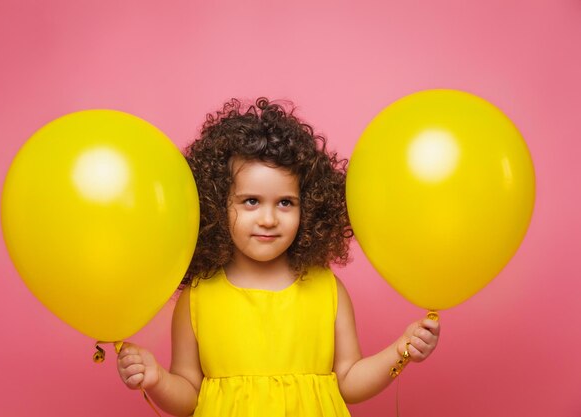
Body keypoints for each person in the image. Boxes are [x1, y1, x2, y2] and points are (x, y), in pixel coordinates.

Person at [117, 98, 440, 417]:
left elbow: (349, 381)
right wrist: (157, 379)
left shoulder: (327, 289)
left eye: (285, 203)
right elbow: (189, 396)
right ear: (215, 203)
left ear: (310, 206)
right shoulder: (198, 296)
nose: (269, 219)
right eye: (251, 201)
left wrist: (401, 351)